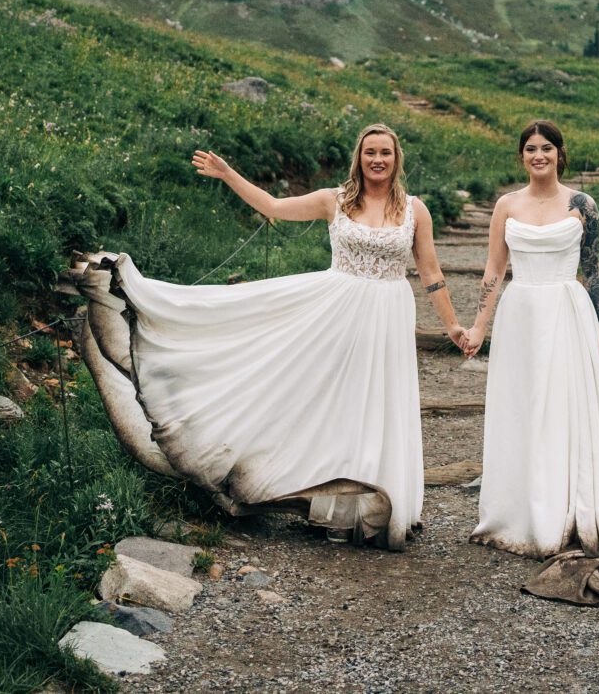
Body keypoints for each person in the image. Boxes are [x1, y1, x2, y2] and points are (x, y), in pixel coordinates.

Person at [70, 123, 465, 550]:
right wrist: (228, 174)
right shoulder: (332, 200)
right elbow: (274, 206)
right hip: (336, 310)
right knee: (335, 401)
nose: (377, 160)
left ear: (396, 157)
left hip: (388, 312)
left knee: (381, 402)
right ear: (360, 156)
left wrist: (454, 326)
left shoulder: (414, 210)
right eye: (370, 152)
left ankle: (377, 506)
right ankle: (329, 502)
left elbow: (431, 273)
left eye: (385, 152)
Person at [464, 120, 599, 560]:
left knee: (566, 406)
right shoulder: (506, 205)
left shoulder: (582, 203)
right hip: (520, 313)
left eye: (547, 148)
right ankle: (524, 508)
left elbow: (593, 269)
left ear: (560, 153)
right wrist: (480, 326)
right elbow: (494, 271)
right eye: (531, 148)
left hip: (568, 310)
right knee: (524, 406)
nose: (539, 155)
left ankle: (570, 503)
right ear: (522, 155)